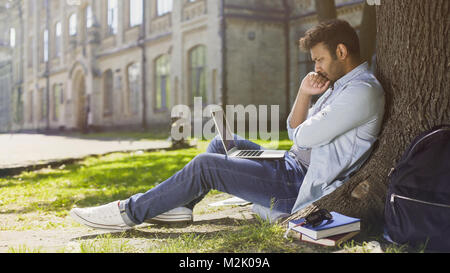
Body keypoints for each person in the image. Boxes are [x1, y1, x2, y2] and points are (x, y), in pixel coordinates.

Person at [70, 19, 385, 231]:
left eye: (319, 60)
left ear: (340, 52)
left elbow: (302, 136)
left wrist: (304, 112)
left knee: (206, 165)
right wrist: (304, 93)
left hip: (297, 185)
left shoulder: (361, 92)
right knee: (223, 144)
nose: (316, 67)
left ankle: (129, 212)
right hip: (290, 165)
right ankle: (182, 207)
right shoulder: (339, 85)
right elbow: (294, 132)